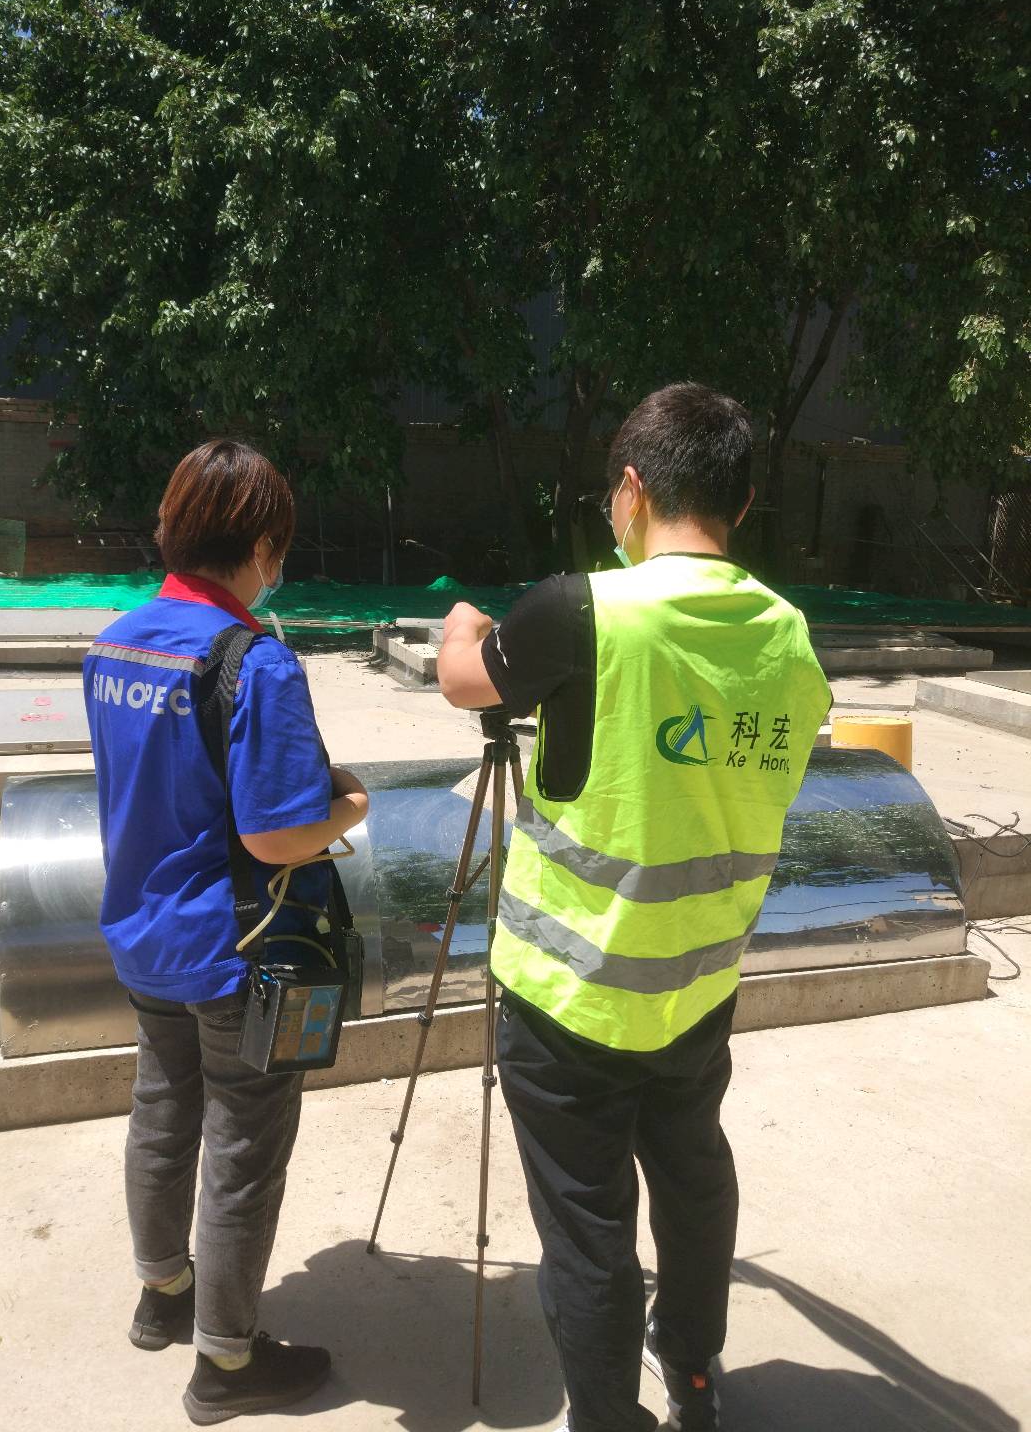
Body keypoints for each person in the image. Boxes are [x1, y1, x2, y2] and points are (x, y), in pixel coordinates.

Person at [437, 383, 831, 1432]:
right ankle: (691, 1367)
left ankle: (608, 1417)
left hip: (568, 998)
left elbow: (465, 680)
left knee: (587, 1229)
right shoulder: (790, 639)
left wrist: (463, 623)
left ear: (631, 490)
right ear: (741, 505)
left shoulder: (582, 610)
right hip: (697, 986)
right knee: (694, 1181)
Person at [83, 439, 368, 1426]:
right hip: (239, 951)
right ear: (259, 547)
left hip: (144, 933)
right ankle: (228, 1363)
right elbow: (275, 833)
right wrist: (351, 808)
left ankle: (163, 1293)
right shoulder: (255, 663)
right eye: (277, 546)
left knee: (162, 1114)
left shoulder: (114, 645)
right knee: (244, 1147)